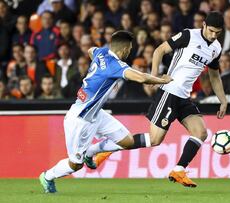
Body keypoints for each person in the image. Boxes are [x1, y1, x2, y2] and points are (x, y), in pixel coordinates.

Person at [93, 12, 227, 188]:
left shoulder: (216, 48)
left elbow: (214, 76)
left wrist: (223, 100)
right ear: (203, 25)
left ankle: (179, 170)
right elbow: (159, 50)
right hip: (169, 92)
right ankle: (110, 147)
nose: (213, 35)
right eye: (211, 31)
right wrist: (154, 76)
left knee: (201, 132)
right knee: (155, 140)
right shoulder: (188, 35)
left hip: (184, 97)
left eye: (217, 32)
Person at [39, 30, 172, 193]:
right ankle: (47, 176)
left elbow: (90, 50)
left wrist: (101, 74)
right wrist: (162, 80)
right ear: (124, 50)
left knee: (128, 142)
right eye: (129, 50)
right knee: (75, 165)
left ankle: (92, 151)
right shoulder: (115, 65)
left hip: (96, 114)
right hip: (80, 120)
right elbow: (142, 78)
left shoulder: (100, 52)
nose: (129, 52)